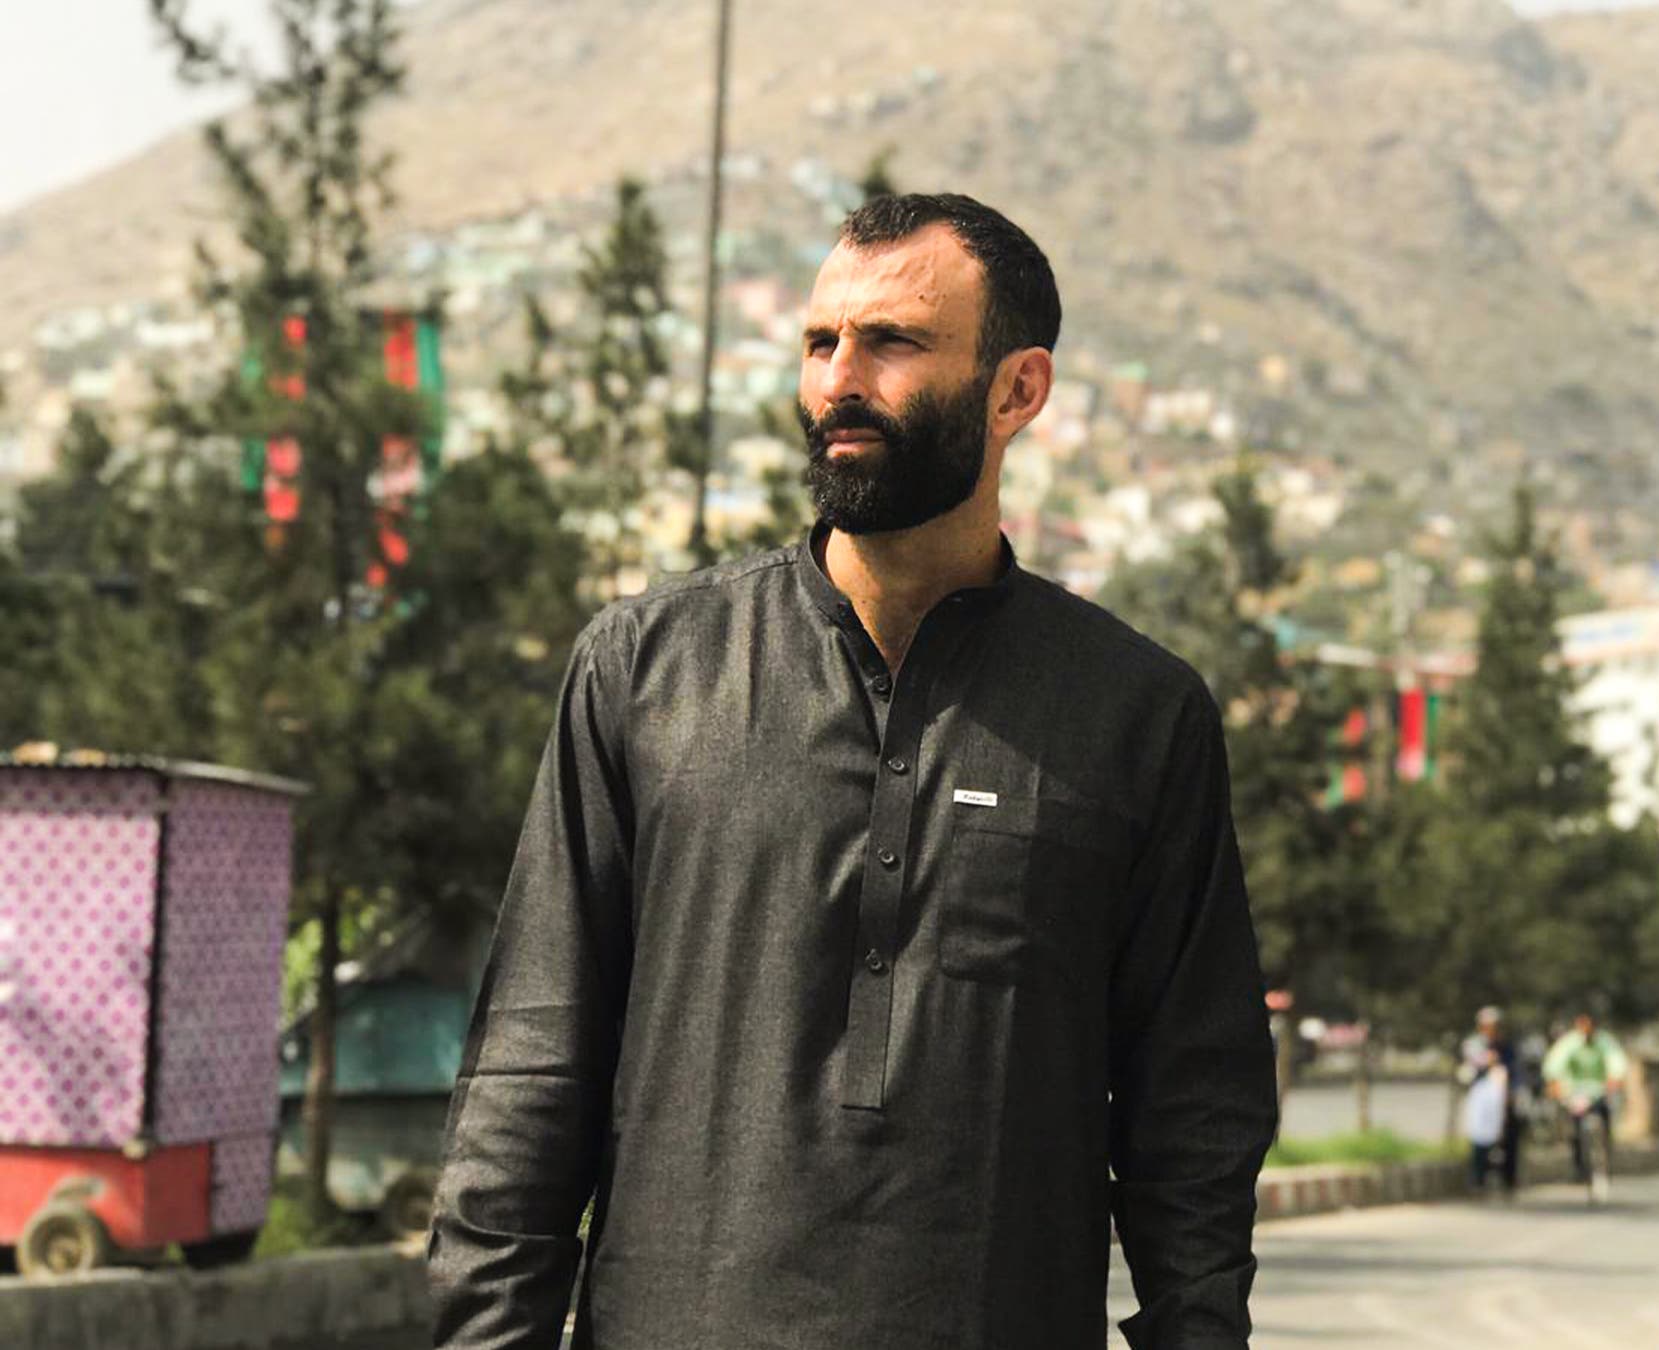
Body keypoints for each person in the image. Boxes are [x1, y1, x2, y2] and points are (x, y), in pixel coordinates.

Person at [428, 193, 1279, 1349]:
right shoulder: (647, 671)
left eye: (893, 343)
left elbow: (1196, 1113)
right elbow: (533, 1056)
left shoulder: (1136, 716)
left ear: (1017, 391)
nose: (840, 382)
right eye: (821, 342)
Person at [1542, 1013, 1627, 1196]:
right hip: (1575, 1093)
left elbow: (1616, 1064)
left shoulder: (1605, 1042)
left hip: (1598, 1092)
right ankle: (1579, 1166)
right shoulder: (1570, 1043)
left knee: (1604, 1119)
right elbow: (1554, 1065)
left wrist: (1615, 1080)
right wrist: (1555, 1085)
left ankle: (1605, 1158)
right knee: (1575, 1129)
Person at [1457, 1006, 1524, 1194]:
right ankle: (1478, 1177)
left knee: (1511, 1132)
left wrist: (1512, 1092)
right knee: (1479, 1136)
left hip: (1504, 1099)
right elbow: (1468, 1072)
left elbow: (1515, 1073)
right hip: (1481, 1099)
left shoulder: (1507, 1047)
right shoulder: (1474, 1046)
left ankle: (1509, 1178)